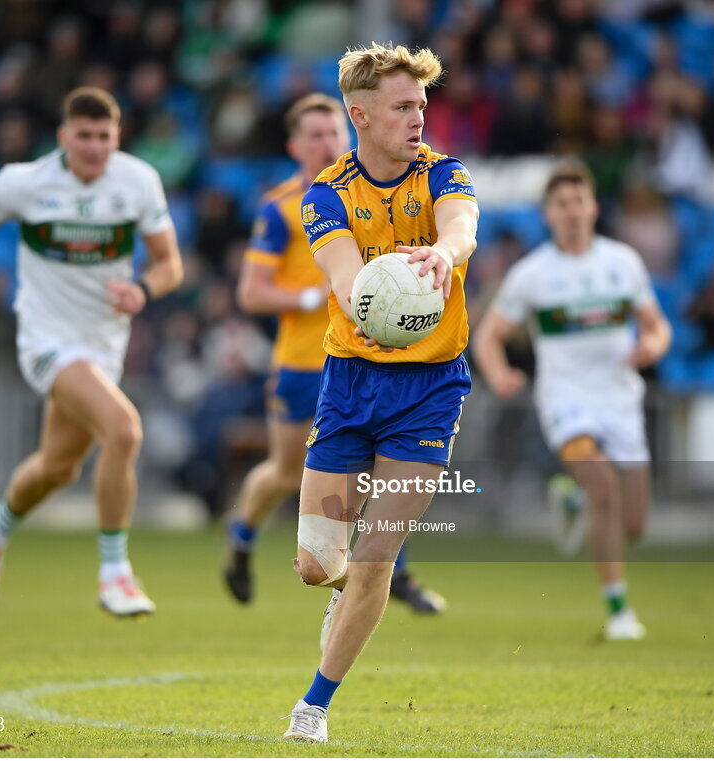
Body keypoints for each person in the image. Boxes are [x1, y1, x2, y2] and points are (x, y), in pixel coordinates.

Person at [0, 87, 182, 617]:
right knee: (123, 429)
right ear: (63, 137)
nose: (95, 147)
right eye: (84, 136)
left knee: (58, 468)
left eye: (104, 137)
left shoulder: (138, 181)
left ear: (116, 137)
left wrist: (143, 289)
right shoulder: (25, 183)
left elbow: (171, 265)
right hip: (46, 340)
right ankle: (114, 573)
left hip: (103, 344)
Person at [281, 43, 478, 743]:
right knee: (315, 565)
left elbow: (461, 224)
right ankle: (345, 595)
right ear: (359, 115)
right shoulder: (325, 194)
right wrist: (376, 292)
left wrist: (441, 254)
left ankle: (312, 707)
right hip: (351, 384)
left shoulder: (444, 172)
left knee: (374, 559)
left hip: (428, 390)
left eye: (421, 105)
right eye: (402, 107)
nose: (418, 117)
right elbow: (341, 278)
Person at [223, 93, 446, 614]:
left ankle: (393, 573)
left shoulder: (372, 192)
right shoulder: (283, 208)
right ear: (295, 146)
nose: (327, 143)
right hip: (302, 361)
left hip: (362, 355)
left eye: (333, 134)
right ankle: (241, 539)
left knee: (380, 469)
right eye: (315, 136)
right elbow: (251, 293)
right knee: (286, 473)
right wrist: (311, 297)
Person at [474, 160, 671, 641]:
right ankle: (619, 612)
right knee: (604, 486)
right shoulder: (532, 274)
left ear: (594, 207)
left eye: (579, 201)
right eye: (561, 204)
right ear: (548, 214)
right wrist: (499, 374)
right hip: (566, 402)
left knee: (636, 523)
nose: (572, 211)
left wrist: (654, 346)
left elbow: (657, 325)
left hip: (620, 399)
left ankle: (572, 500)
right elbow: (488, 336)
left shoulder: (622, 262)